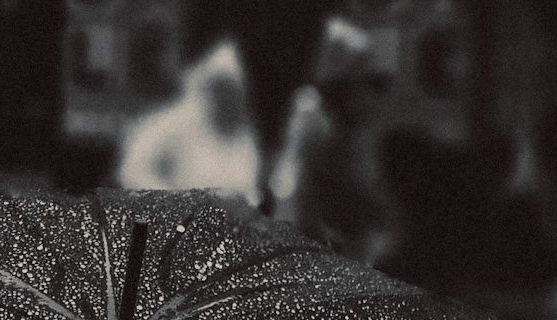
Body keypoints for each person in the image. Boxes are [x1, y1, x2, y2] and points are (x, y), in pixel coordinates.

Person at [269, 17, 396, 261]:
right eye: (357, 72)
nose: (363, 89)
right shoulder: (311, 111)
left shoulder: (343, 119)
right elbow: (293, 183)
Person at [116, 39, 263, 204]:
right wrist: (174, 201)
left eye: (230, 91)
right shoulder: (175, 121)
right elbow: (133, 169)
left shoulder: (242, 135)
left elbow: (248, 187)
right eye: (220, 89)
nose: (225, 98)